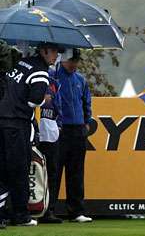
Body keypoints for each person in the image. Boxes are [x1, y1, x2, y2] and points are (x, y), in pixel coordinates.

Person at [0, 42, 59, 228]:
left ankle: (6, 213)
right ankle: (21, 215)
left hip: (2, 119)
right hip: (17, 124)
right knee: (18, 169)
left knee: (2, 168)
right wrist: (44, 98)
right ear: (44, 51)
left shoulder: (21, 63)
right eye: (55, 52)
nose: (56, 56)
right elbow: (34, 100)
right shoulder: (40, 71)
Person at [55, 49, 93, 223]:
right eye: (71, 61)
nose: (74, 64)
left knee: (76, 172)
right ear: (62, 60)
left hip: (78, 130)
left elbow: (86, 102)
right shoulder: (53, 76)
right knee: (54, 171)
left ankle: (76, 211)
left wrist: (86, 122)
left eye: (76, 61)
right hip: (60, 130)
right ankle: (48, 210)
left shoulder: (81, 80)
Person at [37, 69, 63, 224]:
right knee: (33, 170)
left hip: (51, 130)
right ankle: (32, 208)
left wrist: (59, 125)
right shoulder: (33, 73)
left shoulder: (54, 79)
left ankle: (49, 210)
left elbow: (58, 104)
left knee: (52, 172)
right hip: (35, 129)